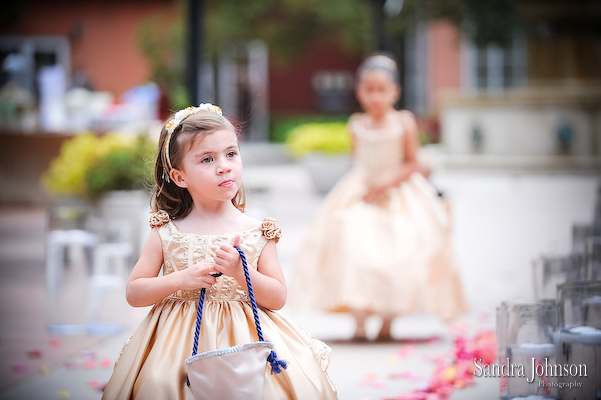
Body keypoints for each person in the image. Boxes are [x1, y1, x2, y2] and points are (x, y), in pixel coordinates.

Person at [102, 104, 337, 399]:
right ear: (179, 177)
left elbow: (277, 297)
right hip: (176, 345)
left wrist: (243, 273)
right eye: (207, 159)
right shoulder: (166, 232)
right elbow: (135, 293)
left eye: (231, 154)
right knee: (163, 385)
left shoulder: (258, 231)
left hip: (246, 341)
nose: (224, 165)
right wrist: (180, 279)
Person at [289, 54, 468, 342]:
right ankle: (359, 320)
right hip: (362, 191)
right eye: (368, 90)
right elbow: (357, 159)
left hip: (398, 191)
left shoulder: (404, 123)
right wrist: (365, 184)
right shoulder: (356, 124)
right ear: (359, 91)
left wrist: (388, 181)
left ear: (395, 92)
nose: (375, 97)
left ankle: (387, 319)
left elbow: (414, 162)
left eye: (381, 90)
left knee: (400, 250)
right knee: (349, 242)